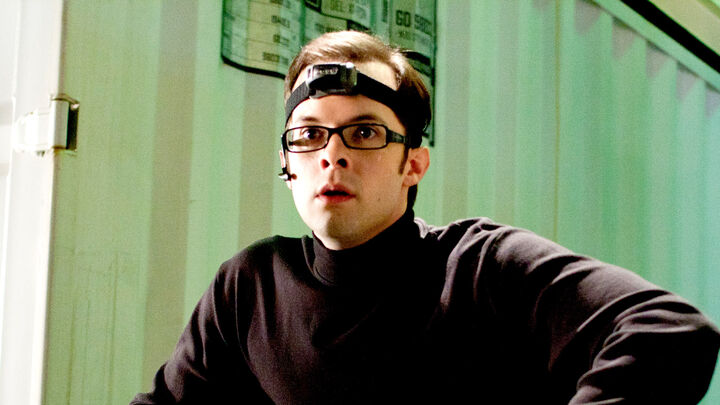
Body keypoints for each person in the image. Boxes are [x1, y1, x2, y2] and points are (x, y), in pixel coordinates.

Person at [131, 30, 720, 404]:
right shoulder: (250, 287)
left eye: (364, 132)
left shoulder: (481, 267)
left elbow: (668, 329)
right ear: (287, 164)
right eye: (308, 134)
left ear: (413, 164)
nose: (331, 154)